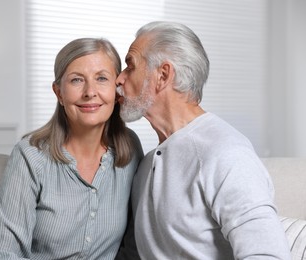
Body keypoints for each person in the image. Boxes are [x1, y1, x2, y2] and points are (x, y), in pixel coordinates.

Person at [115, 21, 291, 259]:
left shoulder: (226, 153)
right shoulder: (145, 166)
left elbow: (268, 255)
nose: (119, 79)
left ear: (163, 75)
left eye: (130, 66)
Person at [0, 38, 143, 259]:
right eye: (76, 80)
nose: (90, 92)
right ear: (59, 93)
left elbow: (136, 240)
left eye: (102, 78)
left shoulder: (130, 149)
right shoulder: (30, 155)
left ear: (117, 90)